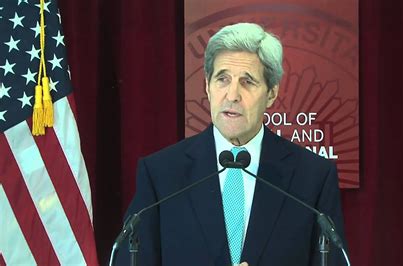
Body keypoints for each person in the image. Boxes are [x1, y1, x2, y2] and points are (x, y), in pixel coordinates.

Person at [116, 22, 348, 266]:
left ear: (271, 93)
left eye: (247, 82)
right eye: (222, 79)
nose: (232, 95)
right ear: (207, 86)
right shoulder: (161, 174)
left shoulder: (313, 177)